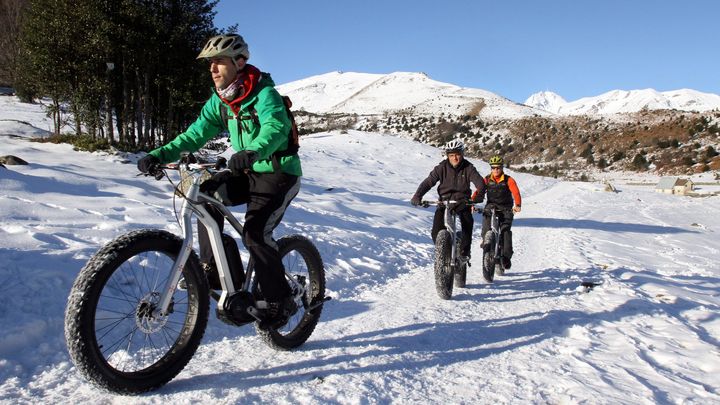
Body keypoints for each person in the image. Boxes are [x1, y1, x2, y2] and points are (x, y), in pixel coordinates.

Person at [136, 34, 301, 328]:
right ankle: (220, 272)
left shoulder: (264, 93)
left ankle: (280, 301)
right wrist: (158, 154)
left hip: (279, 170)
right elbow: (193, 135)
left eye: (219, 62)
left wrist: (252, 150)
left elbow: (276, 127)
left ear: (239, 63)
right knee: (203, 197)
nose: (213, 69)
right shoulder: (220, 101)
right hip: (249, 169)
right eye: (210, 64)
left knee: (255, 234)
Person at [410, 139, 486, 261]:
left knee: (467, 222)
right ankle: (444, 252)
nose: (455, 158)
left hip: (462, 202)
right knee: (436, 231)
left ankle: (465, 251)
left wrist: (479, 196)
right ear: (447, 156)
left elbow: (480, 183)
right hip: (444, 202)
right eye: (451, 155)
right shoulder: (441, 167)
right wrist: (417, 196)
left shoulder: (468, 168)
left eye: (457, 155)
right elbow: (428, 182)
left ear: (462, 154)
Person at [476, 155, 521, 269]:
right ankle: (486, 240)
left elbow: (516, 193)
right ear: (491, 168)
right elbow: (478, 191)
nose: (496, 170)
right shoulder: (486, 179)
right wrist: (472, 202)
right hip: (491, 206)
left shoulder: (508, 180)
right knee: (486, 221)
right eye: (493, 168)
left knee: (505, 231)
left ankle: (506, 257)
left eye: (498, 168)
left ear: (502, 168)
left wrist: (518, 205)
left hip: (506, 207)